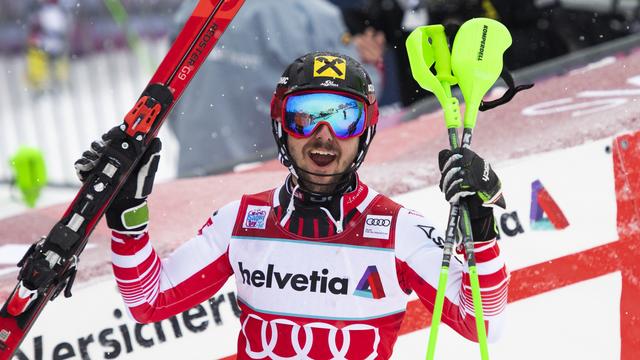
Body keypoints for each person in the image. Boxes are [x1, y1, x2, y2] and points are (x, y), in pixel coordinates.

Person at [75, 51, 508, 359]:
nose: (323, 134)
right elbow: (149, 301)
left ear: (364, 133)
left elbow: (480, 324)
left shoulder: (398, 231)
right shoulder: (241, 221)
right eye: (305, 115)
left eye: (343, 117)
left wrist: (483, 232)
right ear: (283, 127)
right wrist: (128, 219)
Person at [168, 0, 381, 178]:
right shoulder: (312, 15)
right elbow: (352, 101)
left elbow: (171, 91)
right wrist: (372, 64)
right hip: (268, 175)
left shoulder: (198, 6)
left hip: (197, 172)